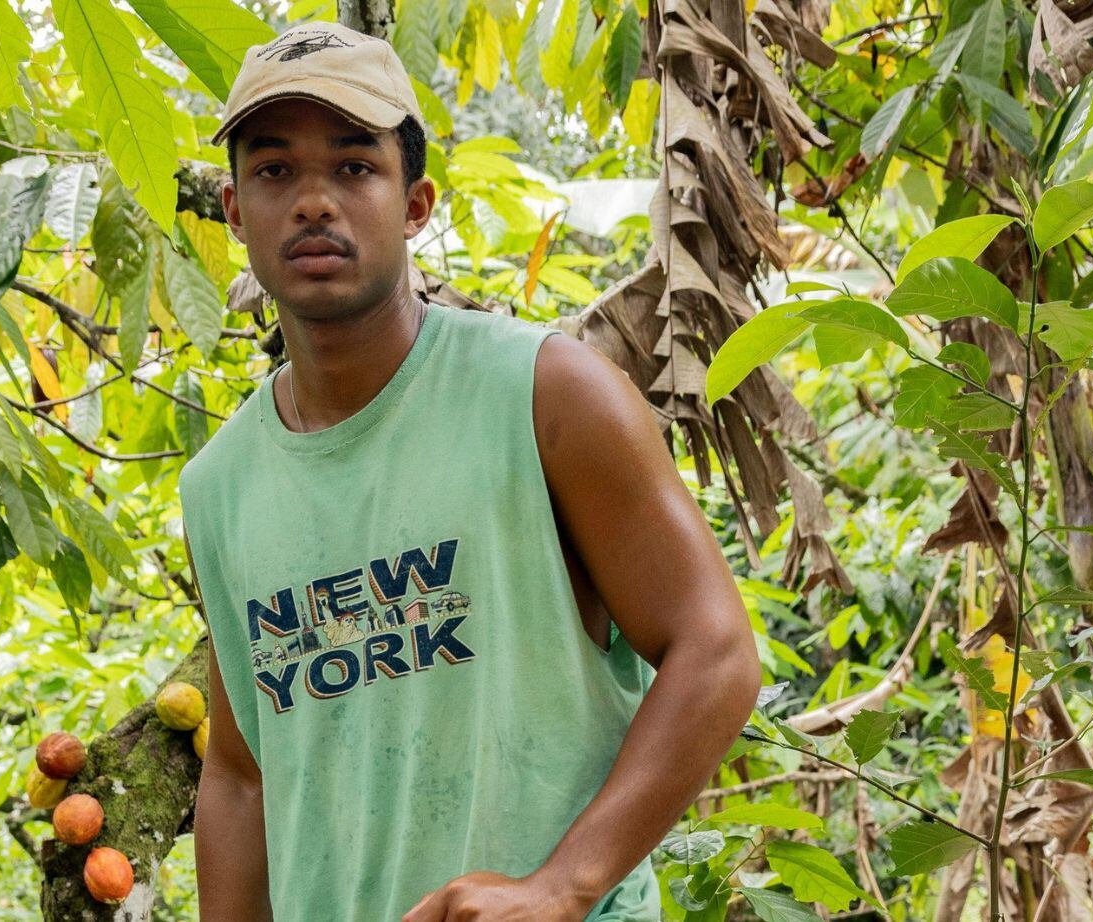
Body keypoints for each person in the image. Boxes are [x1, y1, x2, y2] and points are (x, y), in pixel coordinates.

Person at [178, 21, 762, 922]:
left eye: (353, 166)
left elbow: (715, 651)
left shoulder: (546, 394)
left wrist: (560, 888)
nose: (312, 203)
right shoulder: (220, 487)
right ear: (233, 210)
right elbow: (241, 775)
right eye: (274, 171)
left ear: (415, 204)